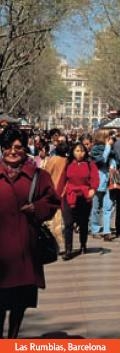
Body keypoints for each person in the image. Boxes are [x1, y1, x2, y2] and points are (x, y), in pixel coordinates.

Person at [0, 127, 60, 338]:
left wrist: (36, 208)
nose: (12, 152)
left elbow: (52, 202)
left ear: (25, 149)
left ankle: (12, 340)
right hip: (1, 256)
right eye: (7, 147)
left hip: (25, 251)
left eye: (17, 147)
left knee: (18, 304)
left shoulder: (38, 176)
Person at [57, 142, 100, 260]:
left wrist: (93, 189)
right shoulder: (68, 164)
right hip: (69, 195)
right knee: (68, 223)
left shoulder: (90, 164)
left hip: (84, 196)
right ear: (72, 152)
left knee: (83, 223)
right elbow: (62, 180)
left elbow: (95, 179)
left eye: (82, 151)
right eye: (77, 151)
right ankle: (68, 250)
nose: (80, 153)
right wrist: (57, 196)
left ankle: (83, 245)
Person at [89, 130, 116, 241]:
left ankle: (106, 231)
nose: (111, 139)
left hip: (109, 181)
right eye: (109, 137)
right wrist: (107, 147)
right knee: (95, 207)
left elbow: (114, 161)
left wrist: (113, 164)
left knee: (108, 207)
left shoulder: (111, 150)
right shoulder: (95, 150)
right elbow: (102, 160)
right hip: (98, 181)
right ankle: (94, 229)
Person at [43, 142, 69, 251]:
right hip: (62, 192)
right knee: (60, 221)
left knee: (51, 221)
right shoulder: (66, 161)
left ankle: (55, 245)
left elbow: (45, 173)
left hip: (50, 191)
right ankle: (61, 245)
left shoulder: (51, 160)